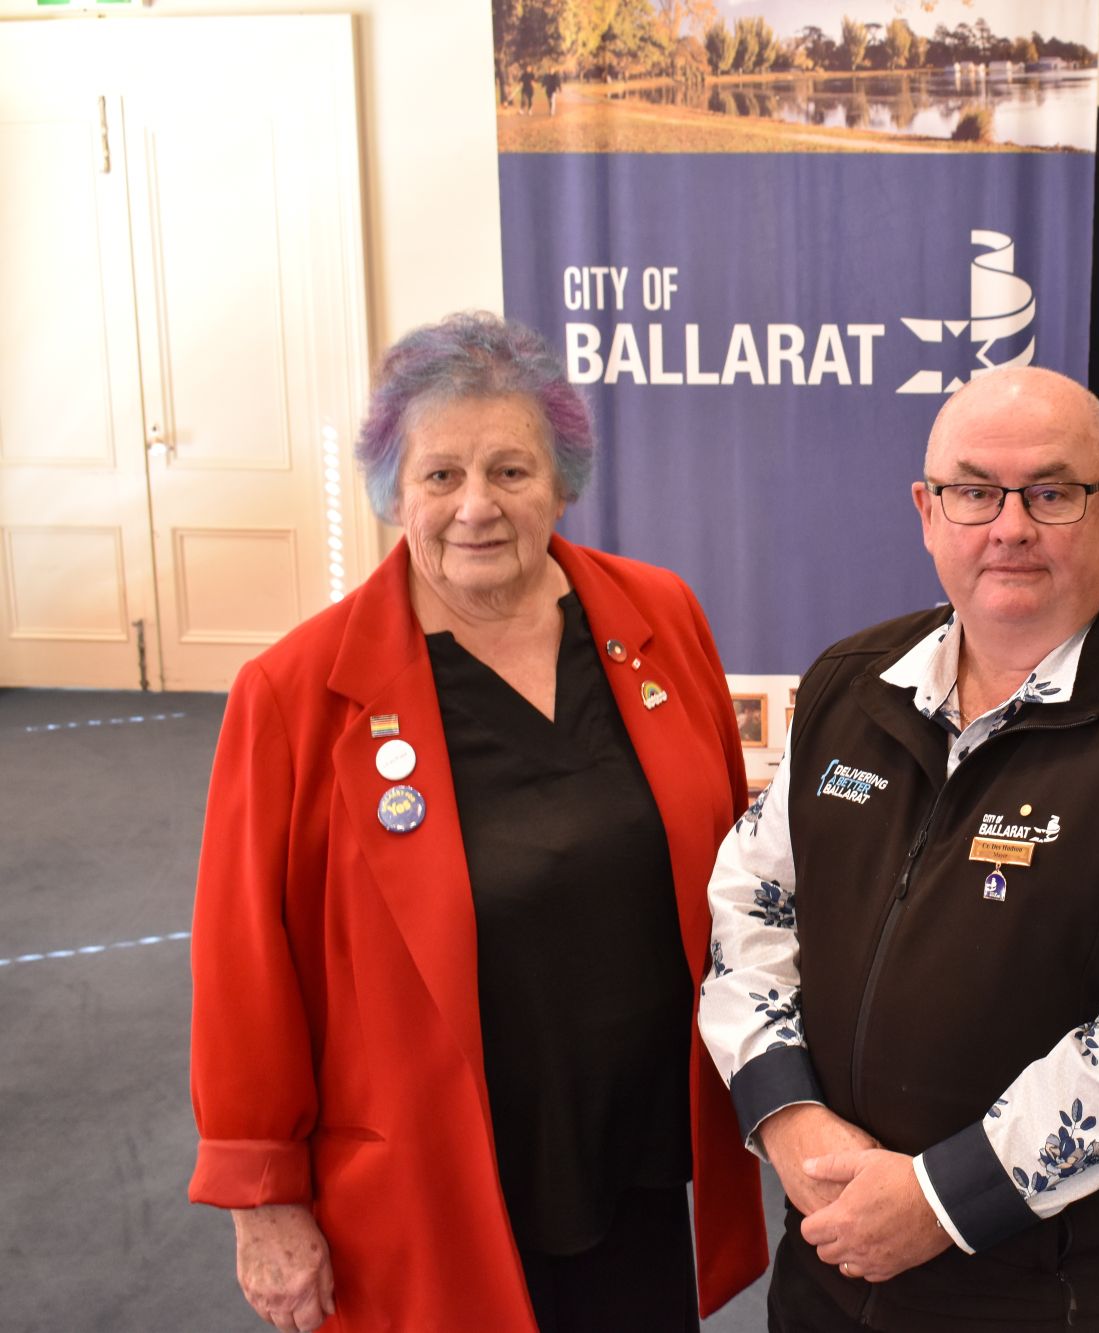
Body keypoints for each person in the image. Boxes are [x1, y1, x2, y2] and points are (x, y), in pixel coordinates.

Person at [187, 312, 765, 1332]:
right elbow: (245, 965)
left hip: (633, 1145)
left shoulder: (658, 616)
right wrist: (262, 1194)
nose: (476, 508)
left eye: (510, 471)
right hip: (435, 1164)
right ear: (391, 491)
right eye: (440, 476)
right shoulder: (293, 694)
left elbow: (728, 867)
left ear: (560, 479)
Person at [699, 367, 1099, 1332]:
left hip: (1048, 1288)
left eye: (1053, 493)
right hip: (832, 1250)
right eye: (974, 491)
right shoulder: (852, 685)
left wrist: (942, 1197)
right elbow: (753, 901)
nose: (1009, 526)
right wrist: (785, 1112)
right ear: (928, 511)